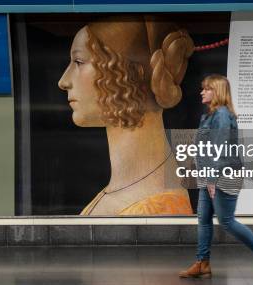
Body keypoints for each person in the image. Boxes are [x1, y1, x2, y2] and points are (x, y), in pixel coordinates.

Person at [58, 15, 194, 216]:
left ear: (127, 74)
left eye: (79, 62)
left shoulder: (159, 207)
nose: (63, 81)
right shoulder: (125, 190)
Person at [179, 74, 253, 280]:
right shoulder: (210, 115)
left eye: (206, 89)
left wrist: (212, 179)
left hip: (222, 175)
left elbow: (221, 149)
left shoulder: (222, 115)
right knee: (204, 219)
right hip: (209, 175)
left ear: (217, 92)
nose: (202, 92)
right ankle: (202, 263)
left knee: (226, 221)